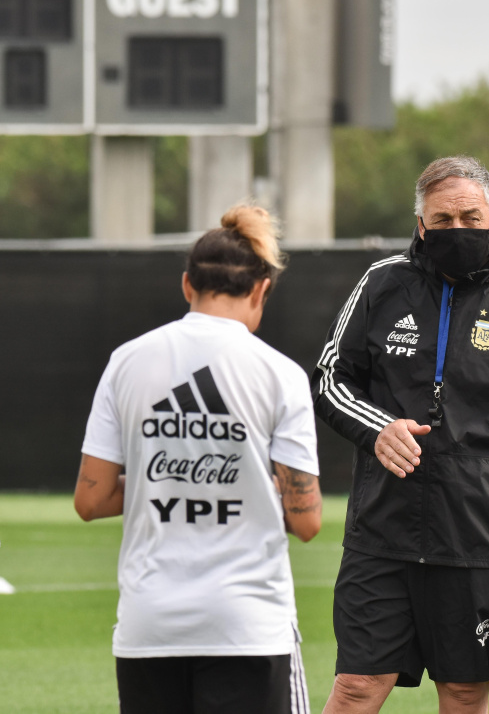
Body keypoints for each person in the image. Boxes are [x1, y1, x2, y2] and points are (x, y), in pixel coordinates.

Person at [312, 156, 489, 713]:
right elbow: (329, 376)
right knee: (358, 687)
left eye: (469, 216)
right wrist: (376, 427)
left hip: (479, 538)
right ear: (420, 225)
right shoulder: (381, 285)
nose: (456, 229)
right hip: (381, 533)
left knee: (463, 691)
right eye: (441, 220)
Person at [74, 206, 322, 714]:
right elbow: (307, 521)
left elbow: (91, 499)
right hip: (247, 626)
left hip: (150, 625)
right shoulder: (280, 373)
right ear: (260, 290)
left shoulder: (128, 360)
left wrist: (158, 484)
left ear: (188, 285)